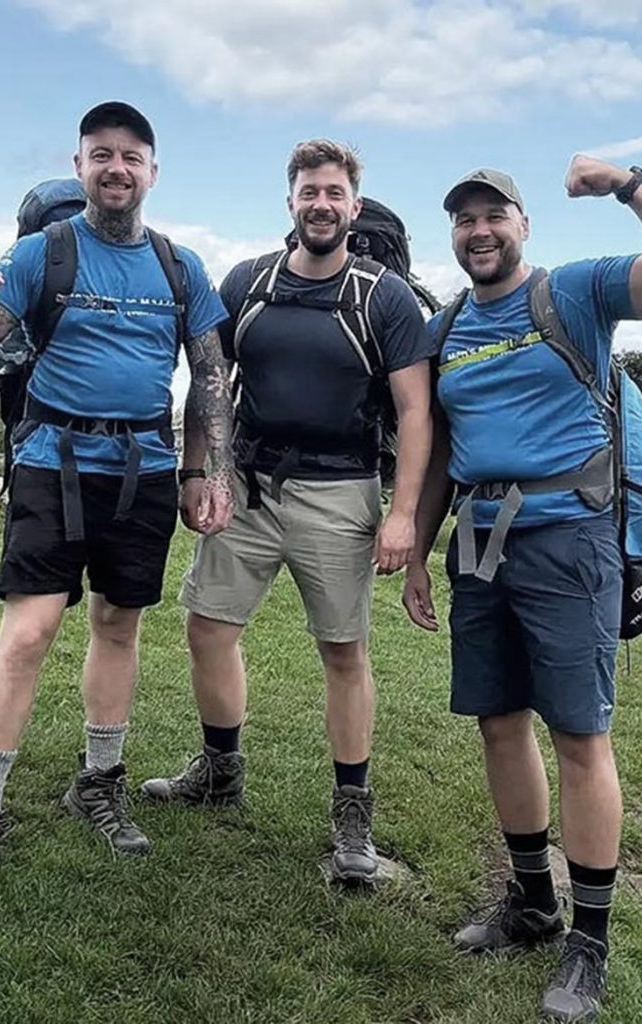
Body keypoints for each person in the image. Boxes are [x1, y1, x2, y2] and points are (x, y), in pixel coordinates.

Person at [402, 157, 642, 1019]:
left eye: (494, 215)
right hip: (480, 540)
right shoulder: (446, 330)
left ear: (523, 225)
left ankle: (589, 941)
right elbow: (440, 452)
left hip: (571, 539)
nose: (479, 231)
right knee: (498, 722)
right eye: (465, 219)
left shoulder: (576, 294)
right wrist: (419, 551)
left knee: (580, 736)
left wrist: (629, 186)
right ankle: (532, 901)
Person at [0, 101, 235, 916]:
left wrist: (210, 471)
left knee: (118, 625)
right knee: (28, 633)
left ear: (152, 172)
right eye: (101, 154)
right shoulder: (42, 253)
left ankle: (98, 782)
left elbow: (209, 376)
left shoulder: (180, 266)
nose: (116, 168)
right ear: (80, 167)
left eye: (131, 156)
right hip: (52, 464)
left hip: (145, 469)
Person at [141, 139, 435, 884]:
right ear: (291, 202)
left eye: (334, 193)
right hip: (247, 484)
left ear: (353, 206)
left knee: (343, 652)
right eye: (310, 192)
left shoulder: (385, 298)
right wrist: (200, 472)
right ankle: (220, 769)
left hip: (340, 490)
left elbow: (415, 410)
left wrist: (403, 514)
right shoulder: (250, 282)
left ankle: (352, 815)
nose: (321, 205)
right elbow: (210, 380)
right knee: (208, 627)